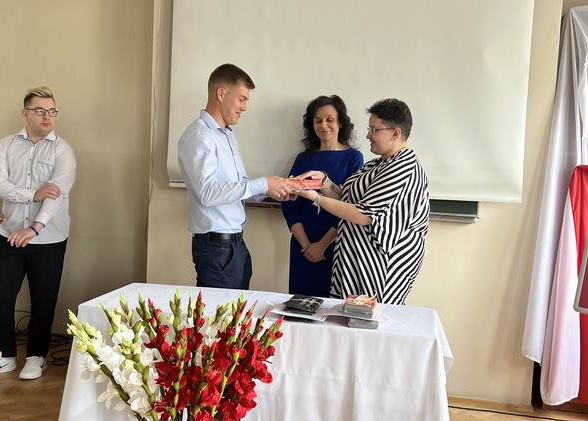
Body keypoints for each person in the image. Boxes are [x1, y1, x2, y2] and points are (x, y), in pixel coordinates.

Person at [0, 86, 76, 381]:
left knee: (43, 300)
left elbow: (56, 194)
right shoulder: (5, 145)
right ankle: (4, 355)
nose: (47, 116)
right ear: (25, 113)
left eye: (52, 111)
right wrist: (32, 194)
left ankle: (36, 357)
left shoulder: (62, 150)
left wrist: (35, 227)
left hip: (49, 238)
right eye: (40, 110)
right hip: (9, 233)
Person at [294, 98, 429, 305]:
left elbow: (363, 215)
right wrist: (324, 182)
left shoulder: (404, 167)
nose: (368, 135)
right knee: (346, 320)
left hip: (378, 271)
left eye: (374, 130)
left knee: (368, 322)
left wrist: (316, 197)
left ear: (395, 133)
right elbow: (347, 198)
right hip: (354, 268)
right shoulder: (376, 164)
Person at [177, 63, 294, 290]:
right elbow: (208, 193)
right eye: (242, 99)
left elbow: (237, 187)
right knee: (219, 313)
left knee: (238, 312)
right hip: (217, 248)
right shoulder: (199, 136)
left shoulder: (227, 136)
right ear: (221, 94)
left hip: (235, 246)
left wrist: (271, 191)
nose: (245, 107)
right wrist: (264, 183)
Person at [281, 95, 363, 296]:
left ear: (341, 122)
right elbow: (290, 207)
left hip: (336, 246)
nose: (323, 125)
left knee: (332, 305)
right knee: (299, 305)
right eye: (318, 120)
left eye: (329, 119)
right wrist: (306, 245)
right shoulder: (303, 158)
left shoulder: (353, 158)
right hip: (302, 246)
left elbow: (351, 205)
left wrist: (322, 246)